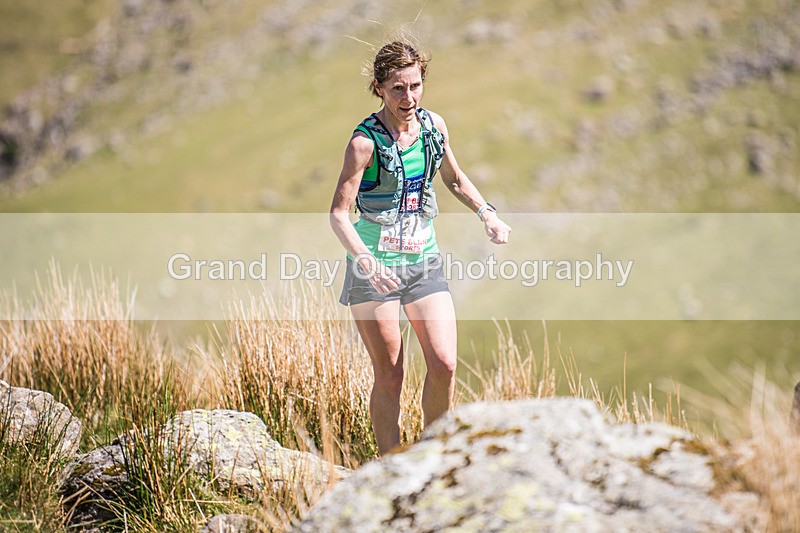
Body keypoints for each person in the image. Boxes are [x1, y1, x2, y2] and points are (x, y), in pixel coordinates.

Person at [329, 40, 511, 455]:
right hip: (373, 267)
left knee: (445, 364)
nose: (407, 98)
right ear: (378, 87)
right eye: (397, 88)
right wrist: (368, 263)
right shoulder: (364, 143)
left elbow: (454, 178)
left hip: (423, 262)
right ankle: (389, 468)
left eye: (414, 86)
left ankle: (433, 458)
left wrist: (487, 213)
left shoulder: (433, 127)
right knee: (391, 375)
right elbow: (339, 213)